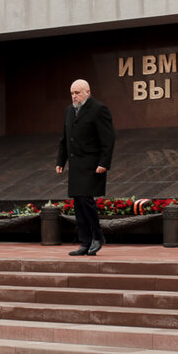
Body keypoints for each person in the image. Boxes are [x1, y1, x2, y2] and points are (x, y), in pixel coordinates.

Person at [56, 79, 114, 256]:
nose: (74, 96)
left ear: (87, 92)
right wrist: (60, 161)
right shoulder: (69, 111)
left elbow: (108, 138)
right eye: (72, 93)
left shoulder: (98, 109)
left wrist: (104, 163)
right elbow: (65, 138)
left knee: (86, 201)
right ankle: (85, 241)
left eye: (77, 93)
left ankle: (97, 237)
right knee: (78, 203)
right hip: (75, 165)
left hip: (91, 164)